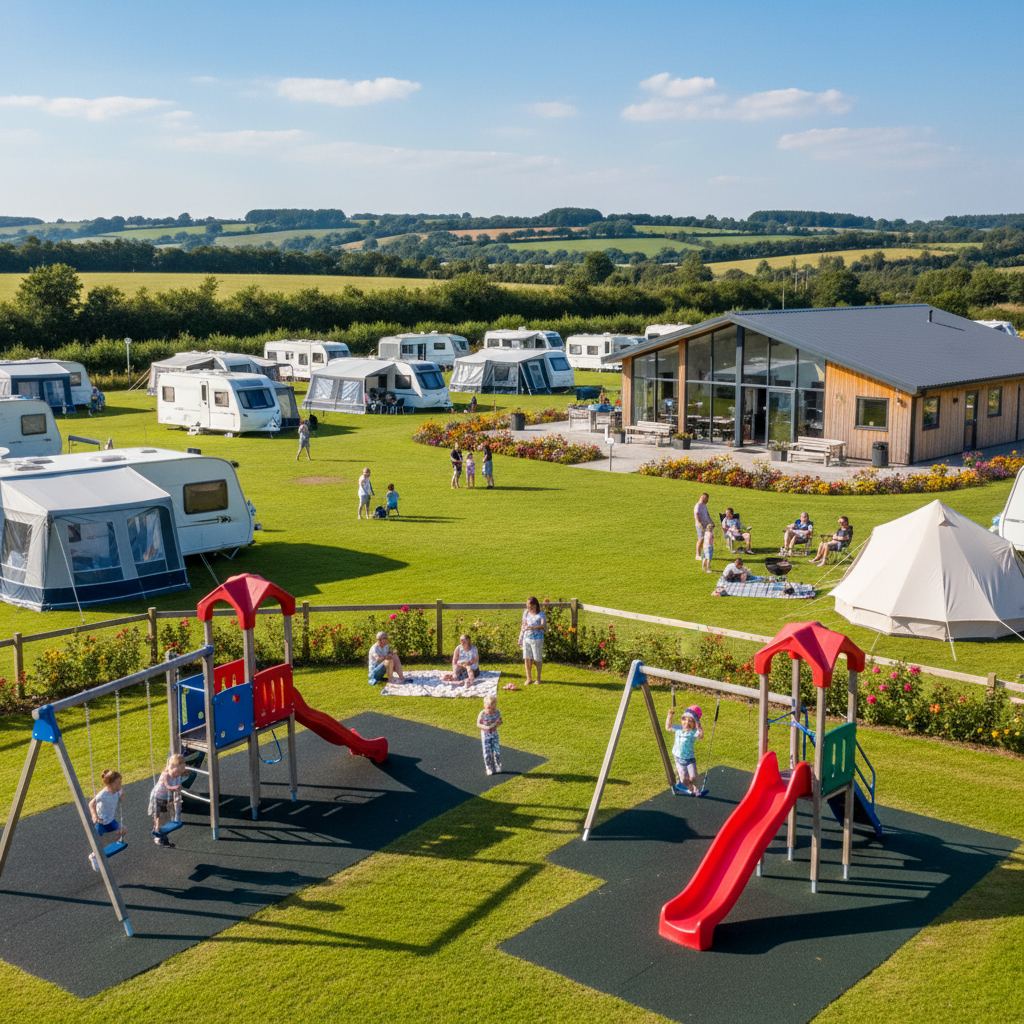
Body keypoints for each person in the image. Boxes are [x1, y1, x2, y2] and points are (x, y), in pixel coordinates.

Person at [87, 769, 126, 870]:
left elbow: (121, 801)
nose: (121, 784)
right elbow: (91, 804)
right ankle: (93, 856)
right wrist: (94, 816)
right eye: (119, 783)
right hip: (100, 822)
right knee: (99, 843)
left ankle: (108, 846)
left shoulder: (118, 791)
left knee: (123, 830)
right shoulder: (102, 795)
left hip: (110, 821)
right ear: (111, 784)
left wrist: (122, 795)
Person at [664, 705, 704, 796]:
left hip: (689, 758)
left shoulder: (694, 732)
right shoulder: (678, 729)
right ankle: (695, 791)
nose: (686, 722)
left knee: (693, 776)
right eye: (684, 719)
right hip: (678, 757)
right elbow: (667, 727)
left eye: (690, 720)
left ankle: (692, 788)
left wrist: (699, 725)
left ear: (694, 723)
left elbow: (701, 736)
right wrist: (669, 716)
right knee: (683, 779)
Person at [148, 753, 186, 848]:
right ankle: (157, 834)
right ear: (169, 767)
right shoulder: (165, 774)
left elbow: (176, 788)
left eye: (178, 773)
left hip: (166, 797)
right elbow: (167, 785)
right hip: (157, 797)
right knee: (158, 817)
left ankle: (162, 837)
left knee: (166, 818)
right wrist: (174, 787)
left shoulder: (178, 776)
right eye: (174, 773)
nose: (175, 775)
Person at [519, 596, 547, 684]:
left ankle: (538, 678)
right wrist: (521, 638)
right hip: (526, 638)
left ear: (535, 605)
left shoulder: (541, 615)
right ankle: (529, 678)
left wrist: (531, 627)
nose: (528, 607)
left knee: (537, 659)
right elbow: (523, 625)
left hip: (537, 640)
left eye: (529, 606)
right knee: (527, 658)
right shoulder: (526, 613)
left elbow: (543, 626)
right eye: (527, 605)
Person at [476, 694, 503, 775]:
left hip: (494, 734)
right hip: (486, 735)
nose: (490, 710)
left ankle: (498, 764)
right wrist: (486, 727)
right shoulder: (483, 714)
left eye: (492, 708)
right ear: (485, 706)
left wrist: (496, 723)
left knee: (496, 752)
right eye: (488, 708)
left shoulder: (497, 712)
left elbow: (500, 721)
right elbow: (478, 724)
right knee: (487, 753)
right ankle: (488, 767)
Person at [693, 492, 712, 561]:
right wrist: (702, 528)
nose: (707, 501)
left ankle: (703, 553)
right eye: (707, 500)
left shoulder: (704, 505)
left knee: (705, 539)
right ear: (703, 499)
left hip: (705, 524)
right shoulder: (698, 507)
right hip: (700, 525)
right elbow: (698, 519)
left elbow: (707, 514)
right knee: (701, 539)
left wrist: (710, 522)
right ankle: (698, 555)